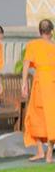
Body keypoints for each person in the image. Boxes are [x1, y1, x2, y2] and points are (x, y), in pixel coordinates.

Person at [21, 19, 55, 163]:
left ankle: (42, 152)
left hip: (41, 84)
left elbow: (26, 64)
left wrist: (24, 83)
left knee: (37, 116)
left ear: (40, 31)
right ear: (51, 31)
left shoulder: (33, 45)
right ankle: (47, 154)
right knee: (50, 118)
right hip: (50, 85)